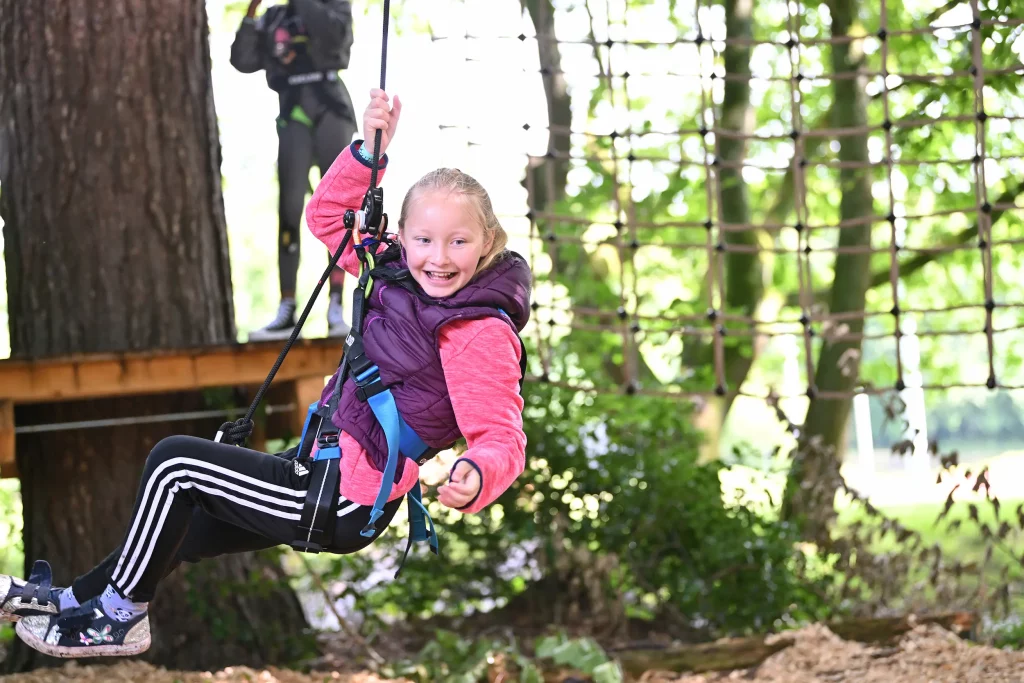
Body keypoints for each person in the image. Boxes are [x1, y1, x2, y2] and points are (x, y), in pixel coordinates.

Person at [1, 90, 532, 659]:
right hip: (314, 467)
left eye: (459, 242)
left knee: (175, 464)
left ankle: (118, 618)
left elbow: (502, 436)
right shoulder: (392, 269)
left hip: (343, 500)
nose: (439, 257)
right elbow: (326, 217)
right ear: (402, 236)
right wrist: (368, 153)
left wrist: (477, 472)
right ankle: (66, 602)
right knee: (182, 523)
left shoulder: (477, 330)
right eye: (424, 239)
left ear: (488, 242)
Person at [231, 0, 359, 340]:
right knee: (289, 209)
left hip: (330, 108)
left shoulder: (335, 5)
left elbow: (335, 37)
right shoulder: (274, 17)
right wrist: (251, 13)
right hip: (293, 111)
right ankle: (287, 308)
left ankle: (336, 306)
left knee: (339, 210)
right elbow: (243, 60)